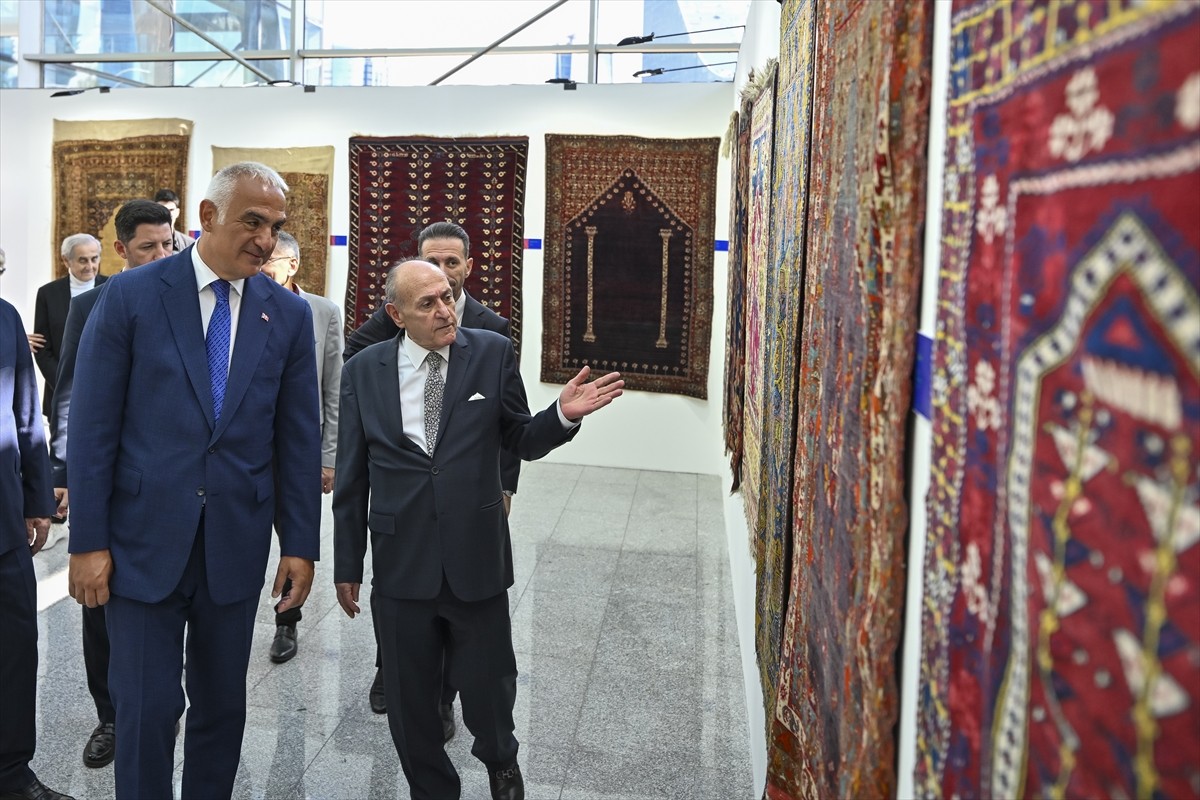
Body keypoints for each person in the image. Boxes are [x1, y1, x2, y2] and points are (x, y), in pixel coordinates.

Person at [67, 162, 322, 800]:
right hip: (141, 545)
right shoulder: (130, 296)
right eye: (252, 222)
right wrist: (87, 543)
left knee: (221, 711)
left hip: (233, 545)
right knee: (147, 712)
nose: (266, 240)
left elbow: (296, 438)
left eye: (276, 226)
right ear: (207, 218)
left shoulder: (285, 316)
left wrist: (300, 543)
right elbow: (95, 428)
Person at [333, 259, 623, 800]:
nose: (446, 310)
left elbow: (521, 438)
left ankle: (501, 762)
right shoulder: (364, 369)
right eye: (428, 304)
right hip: (402, 562)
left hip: (476, 555)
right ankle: (432, 786)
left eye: (447, 296)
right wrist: (347, 564)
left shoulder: (490, 352)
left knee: (490, 686)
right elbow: (352, 474)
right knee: (408, 697)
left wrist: (561, 416)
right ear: (396, 315)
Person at [344, 222, 521, 729]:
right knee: (410, 630)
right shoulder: (380, 347)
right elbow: (356, 472)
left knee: (478, 648)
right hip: (407, 524)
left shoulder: (491, 336)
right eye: (431, 267)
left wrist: (504, 484)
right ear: (397, 313)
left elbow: (510, 424)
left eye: (451, 269)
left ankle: (487, 741)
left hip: (472, 508)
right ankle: (410, 685)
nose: (442, 290)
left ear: (468, 267)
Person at [47, 199, 174, 770]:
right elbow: (71, 393)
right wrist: (68, 474)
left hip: (169, 488)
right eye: (149, 247)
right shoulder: (95, 303)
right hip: (108, 481)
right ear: (121, 250)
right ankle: (111, 715)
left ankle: (160, 708)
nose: (161, 255)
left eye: (169, 245)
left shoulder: (187, 302)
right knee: (99, 606)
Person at [0, 296, 74, 800]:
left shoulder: (4, 317)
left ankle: (11, 773)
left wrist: (36, 500)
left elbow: (27, 413)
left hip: (3, 527)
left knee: (14, 651)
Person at [259, 230, 343, 663]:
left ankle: (286, 623)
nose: (260, 264)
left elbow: (334, 388)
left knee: (297, 538)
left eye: (270, 259)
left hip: (300, 449)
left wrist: (328, 457)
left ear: (292, 264)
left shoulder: (322, 312)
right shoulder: (243, 301)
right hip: (250, 447)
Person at [32, 233, 106, 421]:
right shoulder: (48, 294)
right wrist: (65, 385)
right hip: (61, 393)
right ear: (66, 260)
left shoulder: (111, 287)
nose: (90, 266)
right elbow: (42, 348)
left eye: (94, 259)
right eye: (82, 260)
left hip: (104, 390)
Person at [154, 188, 192, 253]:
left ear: (177, 212)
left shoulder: (189, 245)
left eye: (171, 210)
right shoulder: (145, 242)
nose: (167, 214)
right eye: (163, 210)